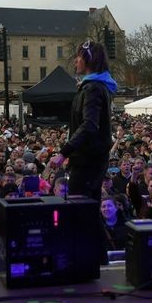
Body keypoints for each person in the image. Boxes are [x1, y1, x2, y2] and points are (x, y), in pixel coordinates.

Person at [50, 40, 117, 199]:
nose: (75, 60)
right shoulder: (95, 87)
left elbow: (89, 125)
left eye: (79, 57)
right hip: (91, 160)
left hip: (87, 161)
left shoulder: (93, 88)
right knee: (88, 211)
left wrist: (63, 153)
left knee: (80, 211)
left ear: (89, 60)